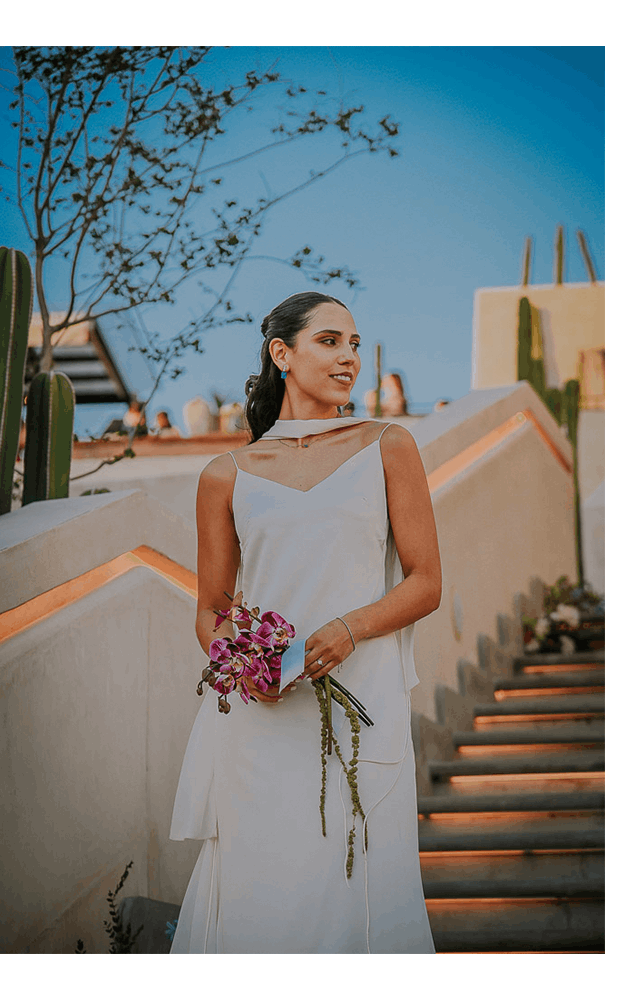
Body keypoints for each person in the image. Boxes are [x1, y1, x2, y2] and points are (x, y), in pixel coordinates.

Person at [168, 291, 440, 953]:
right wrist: (243, 667)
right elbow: (212, 610)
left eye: (355, 343)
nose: (349, 357)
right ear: (281, 353)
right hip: (260, 724)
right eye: (329, 340)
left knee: (358, 895)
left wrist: (350, 627)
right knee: (261, 903)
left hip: (362, 711)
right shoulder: (224, 475)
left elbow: (426, 581)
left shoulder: (389, 446)